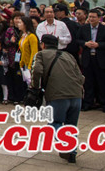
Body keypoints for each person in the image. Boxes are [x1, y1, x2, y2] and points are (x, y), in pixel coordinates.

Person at [32, 34, 84, 164]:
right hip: (76, 95)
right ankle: (72, 152)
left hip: (57, 95)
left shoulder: (41, 55)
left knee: (54, 123)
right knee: (71, 126)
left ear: (43, 44)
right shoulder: (69, 55)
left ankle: (64, 142)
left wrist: (35, 86)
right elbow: (81, 76)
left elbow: (37, 70)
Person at [76, 8, 105, 112]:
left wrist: (98, 45)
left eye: (94, 17)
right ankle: (88, 104)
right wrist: (85, 44)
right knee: (88, 83)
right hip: (88, 58)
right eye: (90, 17)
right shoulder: (83, 28)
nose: (91, 19)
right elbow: (78, 40)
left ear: (99, 18)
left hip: (101, 59)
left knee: (102, 83)